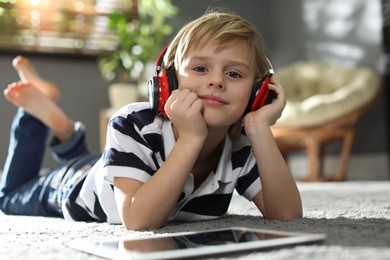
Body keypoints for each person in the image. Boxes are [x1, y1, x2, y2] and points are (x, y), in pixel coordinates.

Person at [0, 11, 302, 230]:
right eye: (199, 69)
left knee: (99, 163)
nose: (216, 81)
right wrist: (192, 138)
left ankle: (66, 132)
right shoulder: (132, 122)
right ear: (167, 81)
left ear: (257, 93)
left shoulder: (241, 145)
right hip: (74, 187)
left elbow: (286, 215)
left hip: (111, 168)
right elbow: (138, 220)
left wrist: (259, 127)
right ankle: (35, 115)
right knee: (10, 196)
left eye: (234, 74)